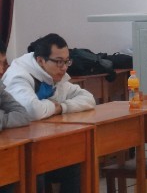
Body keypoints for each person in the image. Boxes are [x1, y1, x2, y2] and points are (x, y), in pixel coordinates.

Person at [2, 33, 96, 193]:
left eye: (67, 61)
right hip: (18, 147)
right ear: (40, 60)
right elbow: (31, 111)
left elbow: (88, 98)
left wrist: (62, 107)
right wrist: (52, 106)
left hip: (43, 142)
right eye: (59, 62)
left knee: (76, 161)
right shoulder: (19, 75)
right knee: (35, 171)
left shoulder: (54, 76)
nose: (64, 67)